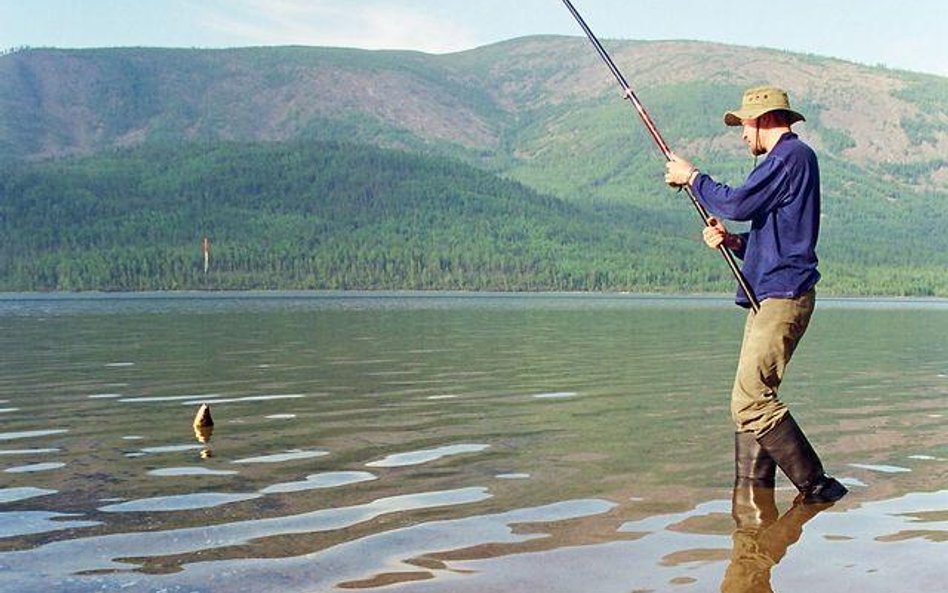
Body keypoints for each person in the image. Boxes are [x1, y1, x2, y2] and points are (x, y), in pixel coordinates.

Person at [663, 85, 847, 504]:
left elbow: (740, 202)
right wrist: (734, 242)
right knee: (745, 401)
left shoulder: (790, 157)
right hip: (773, 292)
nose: (743, 135)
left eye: (744, 126)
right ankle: (753, 500)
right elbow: (776, 235)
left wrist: (693, 177)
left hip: (784, 296)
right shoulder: (787, 162)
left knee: (751, 400)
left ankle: (818, 488)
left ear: (763, 120)